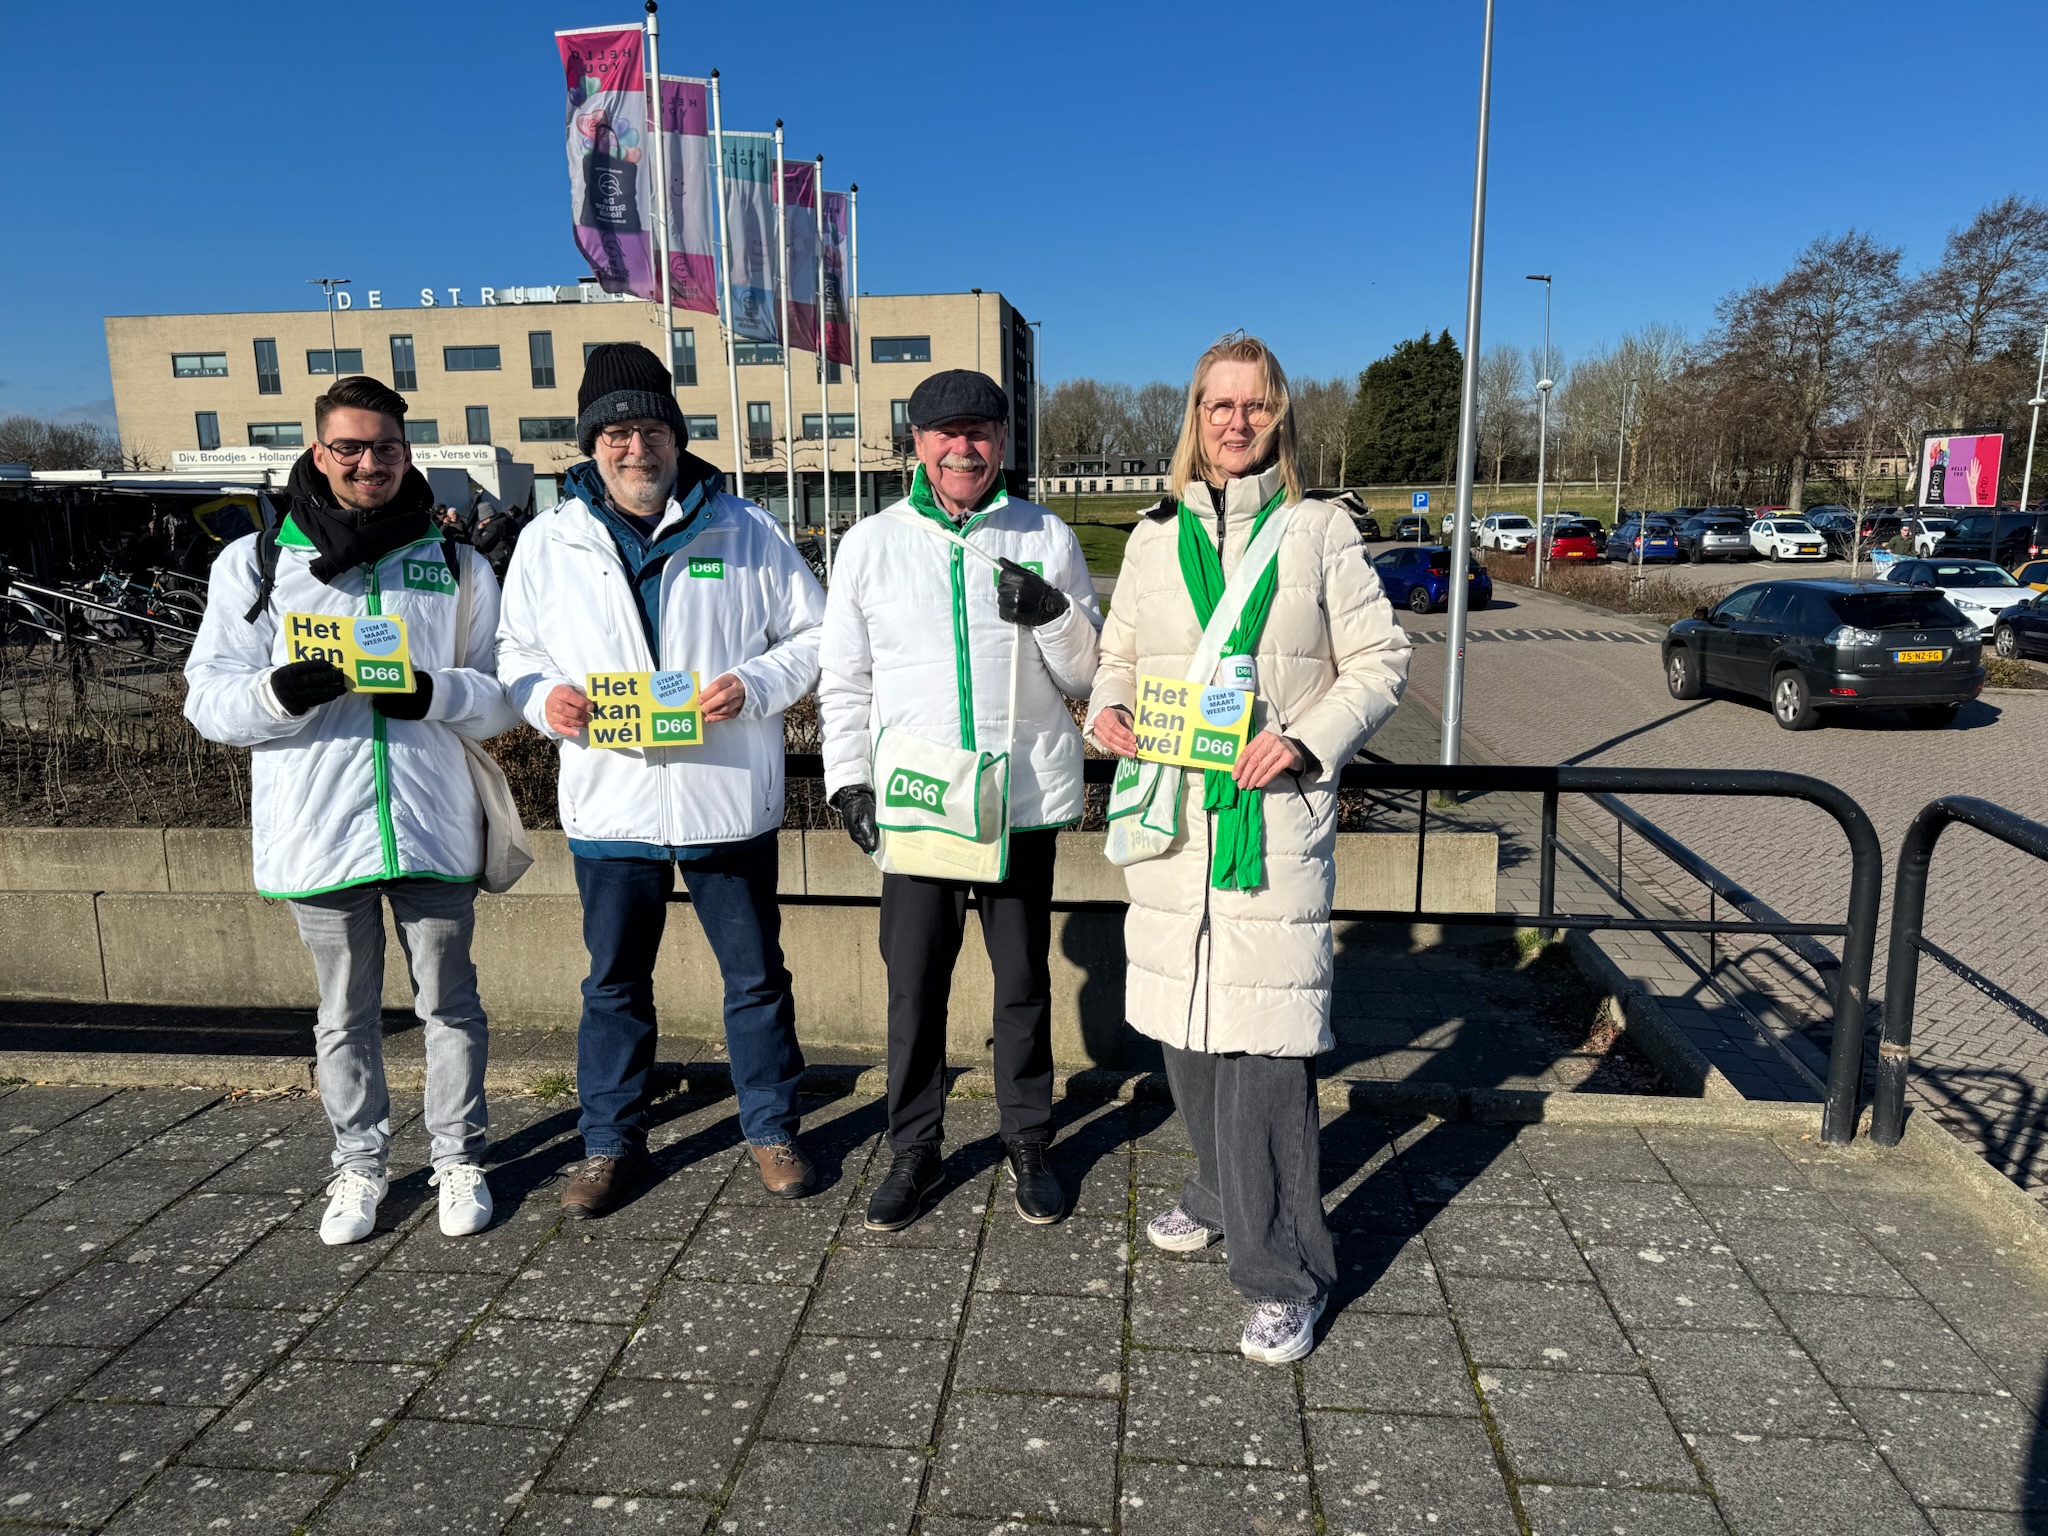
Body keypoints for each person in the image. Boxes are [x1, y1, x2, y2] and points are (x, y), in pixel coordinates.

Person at [1087, 334, 1411, 1364]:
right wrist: (1107, 711)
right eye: (1216, 406)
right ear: (1192, 418)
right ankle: (1218, 1190)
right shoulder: (1149, 537)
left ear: (1279, 418)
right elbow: (1118, 657)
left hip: (1267, 827)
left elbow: (1379, 658)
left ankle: (1286, 1274)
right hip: (1171, 823)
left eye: (1253, 406)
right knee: (1184, 1033)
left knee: (1263, 1051)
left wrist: (1306, 738)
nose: (1234, 423)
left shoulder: (1319, 532)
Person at [184, 374, 519, 1245]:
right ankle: (360, 1167)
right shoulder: (256, 564)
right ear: (318, 450)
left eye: (387, 448)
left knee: (451, 1004)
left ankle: (458, 1159)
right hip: (318, 827)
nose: (370, 463)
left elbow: (501, 694)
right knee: (344, 1013)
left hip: (432, 820)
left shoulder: (454, 562)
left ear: (409, 452)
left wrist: (433, 692)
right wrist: (274, 693)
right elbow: (208, 702)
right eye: (351, 447)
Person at [498, 342, 825, 1216]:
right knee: (613, 984)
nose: (633, 447)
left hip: (725, 800)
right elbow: (515, 652)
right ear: (589, 444)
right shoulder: (548, 541)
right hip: (613, 802)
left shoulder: (746, 529)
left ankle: (771, 1129)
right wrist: (544, 699)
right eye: (613, 432)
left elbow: (817, 637)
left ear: (676, 438)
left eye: (649, 429)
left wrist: (755, 684)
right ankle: (609, 1143)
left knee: (755, 978)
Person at [819, 369, 1102, 1231]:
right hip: (918, 807)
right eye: (944, 434)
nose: (962, 447)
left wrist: (1053, 613)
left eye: (978, 431)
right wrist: (847, 780)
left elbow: (1090, 674)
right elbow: (845, 682)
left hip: (1014, 802)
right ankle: (914, 1143)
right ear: (918, 445)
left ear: (1002, 443)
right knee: (914, 986)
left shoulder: (1045, 536)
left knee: (1020, 984)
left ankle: (1028, 1138)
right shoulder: (870, 543)